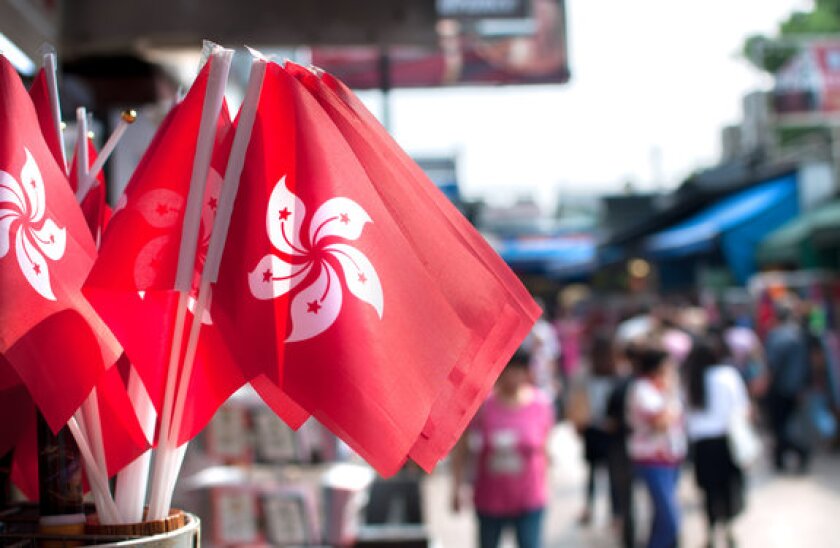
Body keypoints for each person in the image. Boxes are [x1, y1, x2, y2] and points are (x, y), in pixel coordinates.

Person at [451, 349, 554, 548]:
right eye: (508, 370)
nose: (513, 377)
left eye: (518, 371)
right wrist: (457, 487)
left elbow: (544, 449)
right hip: (490, 498)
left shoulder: (540, 405)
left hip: (529, 497)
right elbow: (462, 449)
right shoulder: (482, 406)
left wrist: (547, 485)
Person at [684, 333, 749, 548]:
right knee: (728, 486)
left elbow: (685, 417)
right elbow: (742, 408)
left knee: (708, 490)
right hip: (725, 441)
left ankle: (711, 531)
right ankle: (728, 528)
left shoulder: (692, 380)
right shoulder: (727, 375)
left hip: (702, 445)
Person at [626, 344, 686, 548]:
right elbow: (661, 422)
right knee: (670, 519)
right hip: (652, 460)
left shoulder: (660, 387)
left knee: (661, 519)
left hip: (669, 458)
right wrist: (670, 397)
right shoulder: (642, 390)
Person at [573, 328, 622, 526]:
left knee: (594, 471)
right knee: (610, 472)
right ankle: (615, 513)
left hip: (593, 427)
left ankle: (591, 508)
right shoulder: (616, 371)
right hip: (606, 427)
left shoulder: (586, 371)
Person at [764, 300, 811, 472]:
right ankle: (783, 457)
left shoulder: (777, 335)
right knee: (788, 424)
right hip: (795, 387)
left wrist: (766, 383)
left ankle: (797, 451)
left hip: (780, 388)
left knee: (780, 426)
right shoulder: (799, 333)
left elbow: (773, 364)